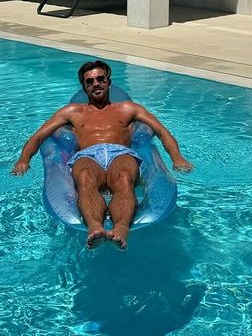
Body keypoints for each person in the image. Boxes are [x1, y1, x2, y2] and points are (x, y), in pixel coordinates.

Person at [11, 59, 194, 249]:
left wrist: (177, 158)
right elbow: (39, 136)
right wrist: (23, 160)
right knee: (85, 178)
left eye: (100, 79)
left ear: (108, 82)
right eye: (89, 81)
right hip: (88, 155)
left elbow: (162, 132)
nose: (96, 84)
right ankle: (94, 227)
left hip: (121, 152)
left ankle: (122, 227)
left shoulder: (129, 109)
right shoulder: (72, 111)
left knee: (124, 178)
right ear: (84, 87)